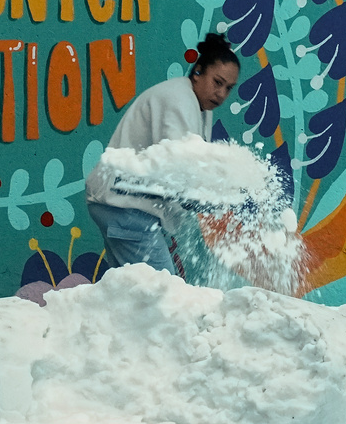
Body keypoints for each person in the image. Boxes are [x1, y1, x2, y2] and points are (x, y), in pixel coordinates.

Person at [85, 33, 240, 274]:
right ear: (198, 71)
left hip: (119, 203)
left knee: (128, 296)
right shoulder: (178, 98)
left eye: (228, 88)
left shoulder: (196, 104)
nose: (221, 94)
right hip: (125, 207)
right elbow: (180, 164)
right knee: (166, 296)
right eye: (217, 82)